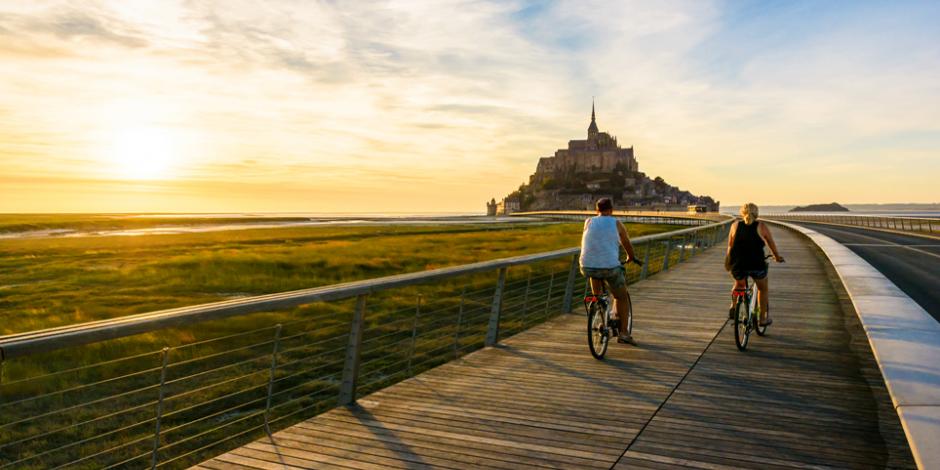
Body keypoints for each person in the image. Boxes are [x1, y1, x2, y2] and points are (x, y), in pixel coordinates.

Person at [579, 198, 639, 345]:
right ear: (611, 210)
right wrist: (630, 257)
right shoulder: (616, 223)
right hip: (610, 267)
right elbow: (626, 242)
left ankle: (598, 303)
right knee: (621, 297)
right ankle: (624, 333)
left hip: (586, 266)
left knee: (595, 272)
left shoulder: (588, 221)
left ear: (596, 211)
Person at [727, 202, 784, 326]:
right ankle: (762, 319)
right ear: (756, 213)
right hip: (756, 264)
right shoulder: (761, 226)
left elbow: (730, 246)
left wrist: (729, 261)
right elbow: (771, 243)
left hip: (738, 264)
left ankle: (733, 305)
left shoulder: (735, 225)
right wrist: (777, 256)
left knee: (739, 284)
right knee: (763, 289)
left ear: (742, 213)